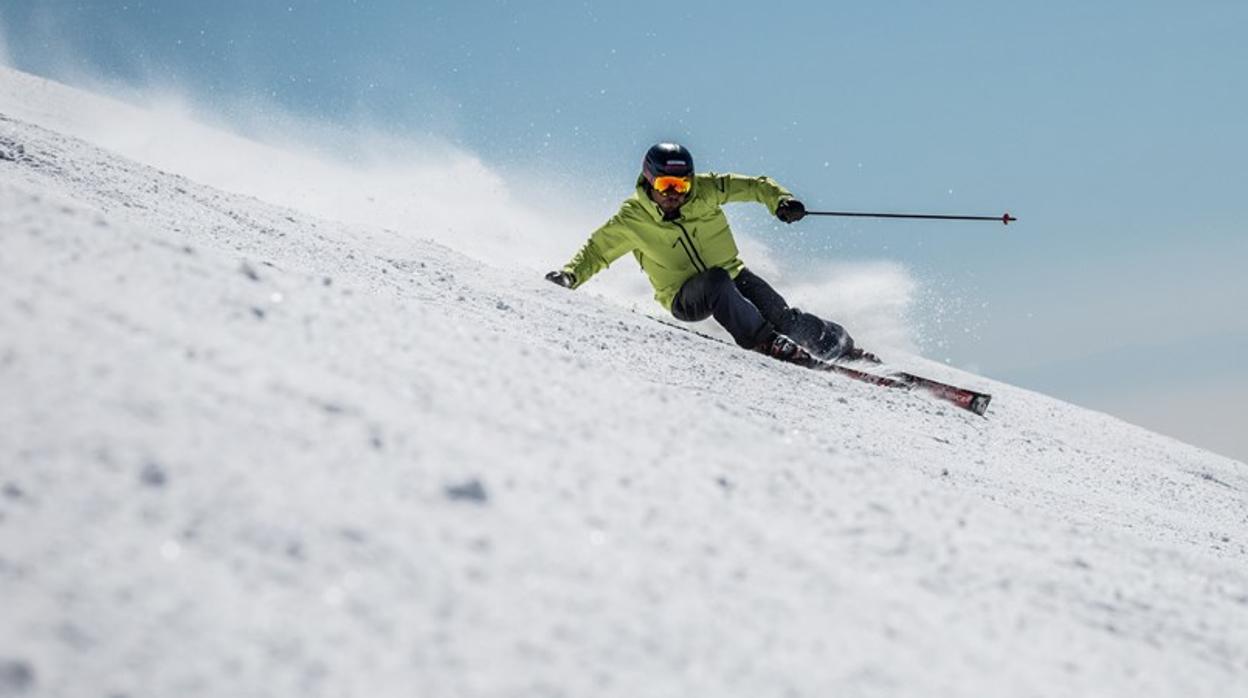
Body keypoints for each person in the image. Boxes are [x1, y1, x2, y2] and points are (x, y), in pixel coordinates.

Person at [545, 142, 857, 365]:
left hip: (733, 275)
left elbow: (754, 186)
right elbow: (598, 250)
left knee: (782, 315)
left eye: (681, 186)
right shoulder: (632, 219)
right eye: (666, 185)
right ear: (650, 181)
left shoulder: (706, 190)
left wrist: (781, 201)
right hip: (684, 297)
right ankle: (764, 341)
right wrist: (571, 275)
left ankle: (838, 347)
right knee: (717, 281)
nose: (673, 195)